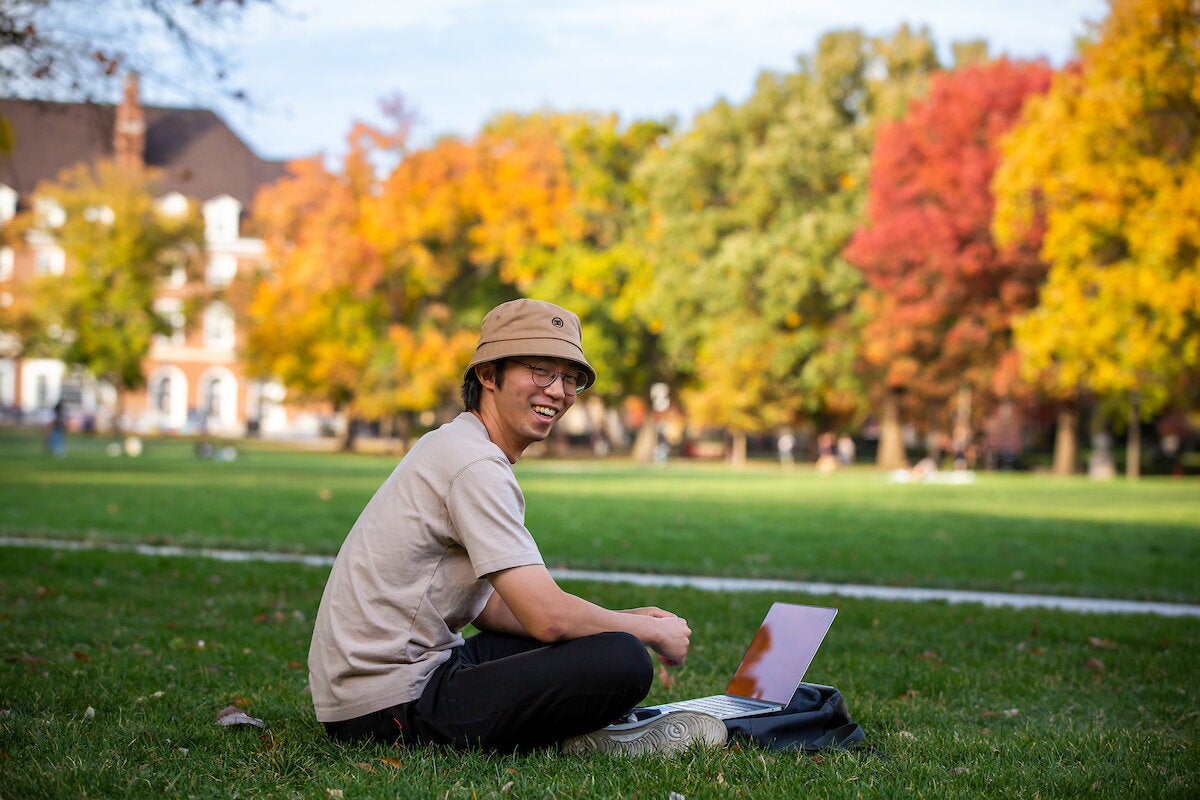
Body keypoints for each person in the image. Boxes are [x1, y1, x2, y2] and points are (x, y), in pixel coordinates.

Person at [307, 299, 725, 755]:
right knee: (621, 659)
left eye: (570, 378)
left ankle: (581, 730)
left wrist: (619, 622)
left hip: (389, 686)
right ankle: (580, 738)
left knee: (591, 644)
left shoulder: (459, 445)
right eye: (540, 370)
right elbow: (547, 619)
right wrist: (642, 633)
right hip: (388, 708)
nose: (558, 391)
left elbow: (490, 611)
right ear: (488, 374)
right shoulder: (473, 464)